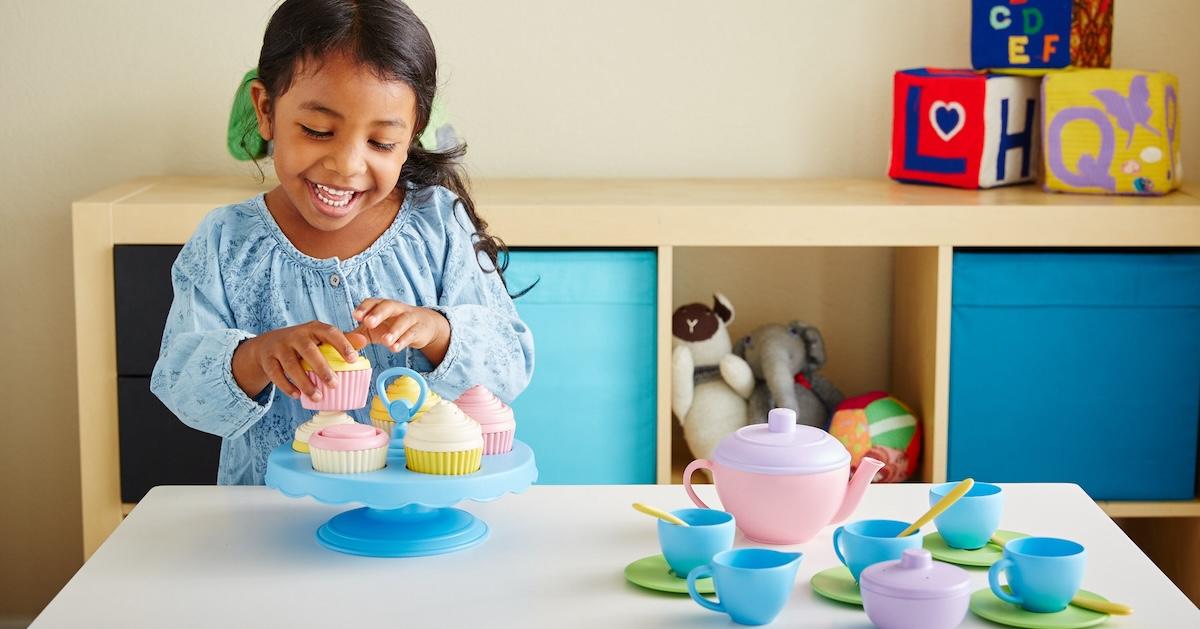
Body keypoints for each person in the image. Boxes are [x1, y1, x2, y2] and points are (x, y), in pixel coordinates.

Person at [151, 0, 534, 485]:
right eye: (318, 131)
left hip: (415, 511)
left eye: (380, 143)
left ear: (412, 133)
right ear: (266, 111)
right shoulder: (227, 241)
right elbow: (181, 386)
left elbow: (510, 364)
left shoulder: (436, 225)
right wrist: (258, 355)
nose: (347, 165)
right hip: (270, 521)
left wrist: (437, 332)